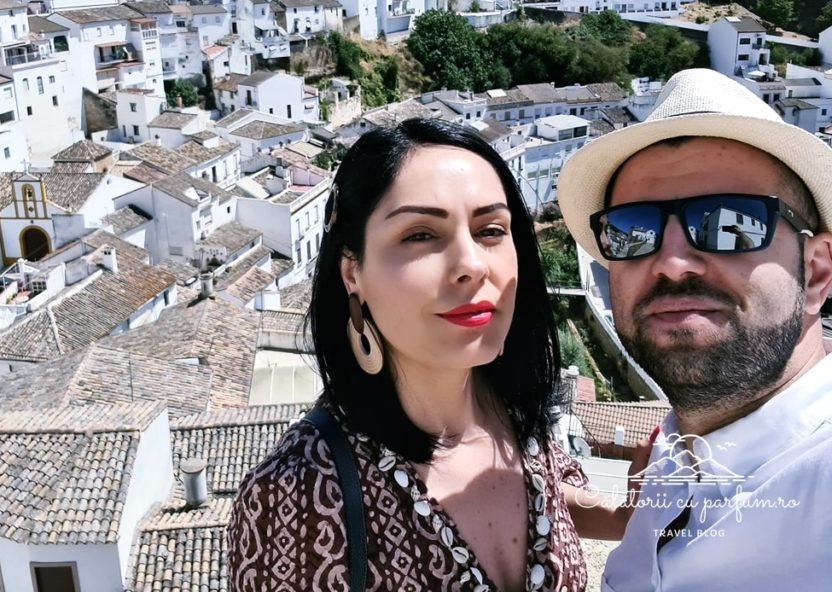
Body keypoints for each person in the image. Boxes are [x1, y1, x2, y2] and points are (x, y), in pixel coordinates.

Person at [229, 118, 629, 592]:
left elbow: (545, 495)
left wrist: (625, 518)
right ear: (352, 272)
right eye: (420, 235)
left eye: (491, 230)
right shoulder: (297, 495)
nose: (472, 265)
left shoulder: (520, 414)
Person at [557, 68, 832, 591]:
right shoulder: (668, 454)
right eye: (633, 231)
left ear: (816, 271)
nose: (672, 262)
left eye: (730, 222)